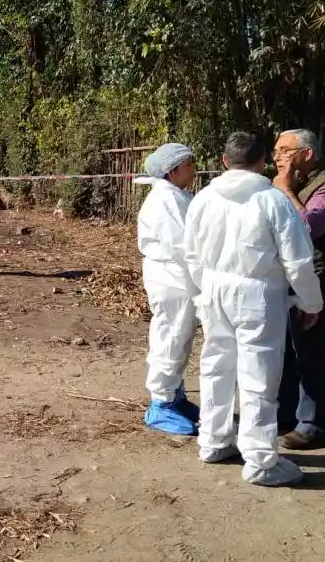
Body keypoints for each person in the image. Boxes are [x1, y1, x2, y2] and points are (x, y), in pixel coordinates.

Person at [184, 131, 323, 487]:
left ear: (225, 161)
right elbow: (298, 260)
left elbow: (190, 253)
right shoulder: (272, 200)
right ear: (262, 162)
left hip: (214, 289)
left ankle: (214, 440)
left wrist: (206, 286)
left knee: (217, 366)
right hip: (258, 293)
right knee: (259, 374)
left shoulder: (203, 198)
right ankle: (260, 460)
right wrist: (311, 302)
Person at [272, 128, 325, 449]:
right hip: (286, 277)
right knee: (286, 348)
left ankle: (313, 421)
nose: (278, 157)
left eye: (285, 151)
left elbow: (306, 229)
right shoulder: (286, 183)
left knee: (311, 347)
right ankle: (287, 414)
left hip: (318, 278)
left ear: (307, 155)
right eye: (275, 151)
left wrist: (287, 193)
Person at [134, 143, 201, 435]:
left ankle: (174, 396)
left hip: (178, 277)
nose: (193, 170)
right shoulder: (166, 200)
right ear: (172, 170)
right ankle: (160, 403)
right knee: (170, 338)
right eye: (188, 165)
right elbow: (185, 244)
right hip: (171, 277)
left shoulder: (174, 195)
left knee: (180, 338)